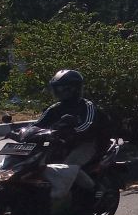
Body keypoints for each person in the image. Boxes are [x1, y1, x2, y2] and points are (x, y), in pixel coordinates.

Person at [34, 69, 103, 200]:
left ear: (74, 89)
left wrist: (73, 131)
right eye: (57, 89)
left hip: (86, 144)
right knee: (39, 164)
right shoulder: (55, 108)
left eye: (62, 88)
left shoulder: (86, 105)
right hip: (61, 144)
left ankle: (94, 191)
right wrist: (21, 132)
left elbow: (87, 124)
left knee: (68, 166)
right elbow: (38, 124)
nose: (59, 92)